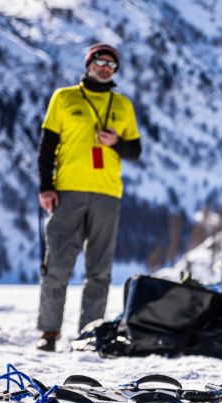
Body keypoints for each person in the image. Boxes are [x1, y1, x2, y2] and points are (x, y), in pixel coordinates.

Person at [35, 44, 142, 351]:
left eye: (111, 63)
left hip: (107, 193)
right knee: (57, 263)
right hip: (67, 191)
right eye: (100, 61)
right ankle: (49, 332)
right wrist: (46, 186)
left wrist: (116, 142)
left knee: (100, 270)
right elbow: (46, 146)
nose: (105, 67)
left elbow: (134, 151)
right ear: (88, 64)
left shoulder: (122, 105)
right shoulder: (64, 97)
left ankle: (89, 334)